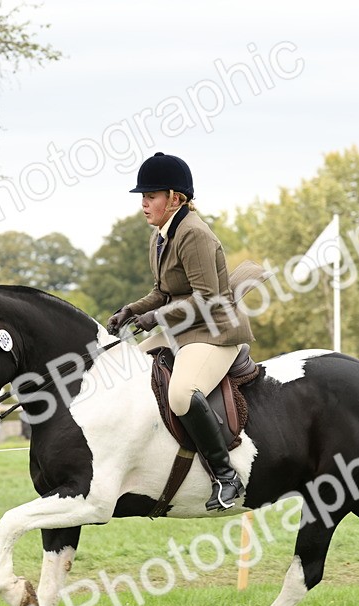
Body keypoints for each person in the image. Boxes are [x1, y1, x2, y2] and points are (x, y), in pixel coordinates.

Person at [105, 152, 254, 511]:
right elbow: (163, 292)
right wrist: (132, 310)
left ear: (175, 198)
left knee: (182, 394)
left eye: (151, 196)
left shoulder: (194, 234)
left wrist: (155, 319)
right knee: (125, 374)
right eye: (142, 196)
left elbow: (209, 297)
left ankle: (225, 474)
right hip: (184, 330)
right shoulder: (160, 235)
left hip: (215, 332)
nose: (144, 203)